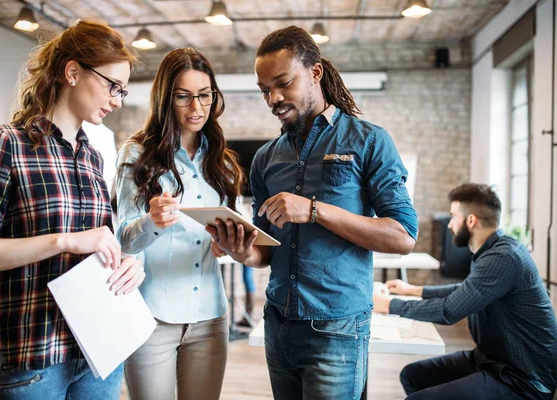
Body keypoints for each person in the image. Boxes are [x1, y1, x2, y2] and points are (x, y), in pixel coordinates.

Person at [208, 25, 418, 399]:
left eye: (283, 83)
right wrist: (242, 251)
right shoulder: (265, 159)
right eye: (264, 90)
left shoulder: (369, 140)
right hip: (277, 324)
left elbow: (402, 236)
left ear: (315, 72)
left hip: (336, 328)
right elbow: (265, 252)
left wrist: (315, 210)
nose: (273, 97)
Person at [0, 20, 144, 399]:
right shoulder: (5, 144)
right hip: (36, 360)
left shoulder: (91, 156)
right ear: (73, 72)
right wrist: (64, 241)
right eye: (112, 86)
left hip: (100, 351)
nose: (118, 100)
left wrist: (126, 264)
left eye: (122, 90)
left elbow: (98, 243)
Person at [114, 47, 244, 400]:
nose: (197, 107)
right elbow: (122, 240)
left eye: (205, 95)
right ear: (166, 99)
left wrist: (227, 244)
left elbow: (221, 241)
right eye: (184, 97)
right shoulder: (137, 154)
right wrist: (152, 221)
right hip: (151, 318)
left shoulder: (222, 162)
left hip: (210, 318)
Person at [373, 183, 557, 399]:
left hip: (522, 379)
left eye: (453, 217)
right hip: (492, 360)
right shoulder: (491, 252)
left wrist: (388, 305)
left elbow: (450, 310)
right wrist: (413, 289)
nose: (449, 225)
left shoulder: (504, 258)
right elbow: (467, 290)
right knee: (413, 376)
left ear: (471, 220)